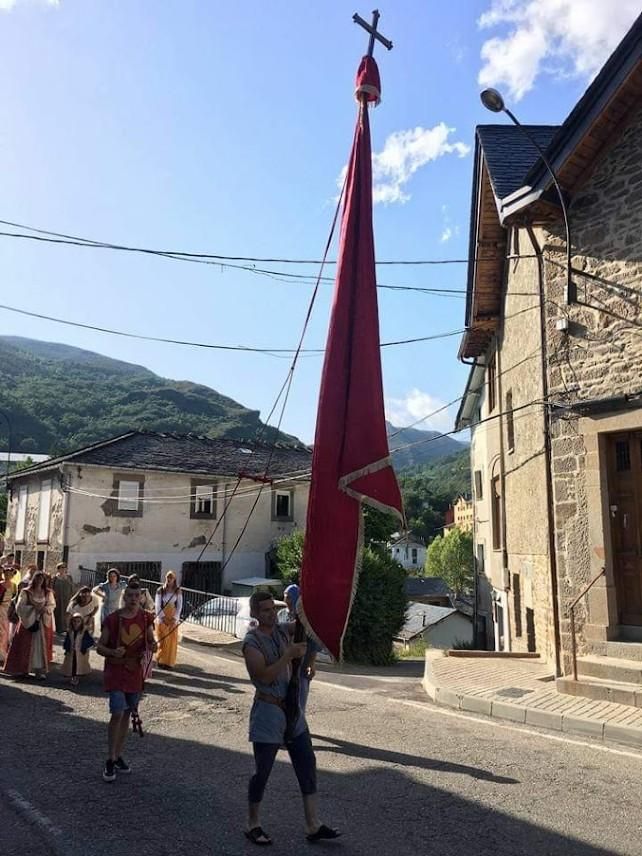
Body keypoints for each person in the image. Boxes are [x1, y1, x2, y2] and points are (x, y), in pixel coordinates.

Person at [242, 591, 339, 846]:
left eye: (273, 609)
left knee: (307, 764)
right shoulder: (251, 642)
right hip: (268, 711)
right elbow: (263, 676)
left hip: (293, 710)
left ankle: (312, 824)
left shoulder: (283, 631)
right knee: (262, 772)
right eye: (264, 610)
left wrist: (311, 601)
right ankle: (253, 823)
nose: (271, 614)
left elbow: (307, 627)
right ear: (254, 613)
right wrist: (288, 656)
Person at [96, 581, 157, 783]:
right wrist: (113, 651)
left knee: (127, 714)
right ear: (124, 597)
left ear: (141, 597)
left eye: (136, 595)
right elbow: (100, 647)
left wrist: (154, 644)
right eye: (129, 595)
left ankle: (118, 755)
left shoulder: (146, 618)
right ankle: (109, 759)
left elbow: (150, 642)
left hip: (134, 672)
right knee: (117, 712)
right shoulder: (113, 619)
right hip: (116, 670)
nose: (133, 599)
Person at [3, 571, 55, 678]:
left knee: (40, 647)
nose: (40, 581)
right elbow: (20, 607)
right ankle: (24, 669)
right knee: (25, 645)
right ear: (34, 579)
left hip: (42, 622)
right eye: (38, 578)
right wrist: (33, 609)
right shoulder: (26, 592)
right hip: (28, 623)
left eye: (42, 579)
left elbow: (52, 605)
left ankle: (39, 671)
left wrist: (45, 609)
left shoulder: (48, 592)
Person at [277, 584, 318, 715]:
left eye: (289, 597)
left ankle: (298, 725)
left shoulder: (305, 618)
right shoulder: (281, 614)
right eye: (285, 597)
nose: (286, 601)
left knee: (299, 697)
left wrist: (311, 663)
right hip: (284, 663)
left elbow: (313, 643)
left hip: (301, 663)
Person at [155, 570, 183, 671]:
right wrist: (162, 618)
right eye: (168, 577)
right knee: (163, 639)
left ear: (174, 579)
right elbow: (157, 605)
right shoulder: (160, 590)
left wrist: (175, 618)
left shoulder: (178, 591)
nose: (169, 579)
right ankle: (161, 660)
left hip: (172, 617)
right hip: (162, 618)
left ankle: (169, 662)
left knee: (172, 640)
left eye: (171, 578)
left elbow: (179, 605)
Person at [62, 613, 95, 686]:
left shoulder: (84, 631)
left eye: (78, 621)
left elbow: (90, 641)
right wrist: (67, 648)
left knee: (78, 664)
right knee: (72, 664)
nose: (76, 623)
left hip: (80, 652)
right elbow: (67, 640)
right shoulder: (70, 631)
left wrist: (84, 646)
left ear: (81, 622)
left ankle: (76, 677)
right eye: (74, 621)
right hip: (71, 651)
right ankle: (72, 676)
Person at [0, 567, 17, 664]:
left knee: (5, 630)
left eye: (9, 574)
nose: (7, 576)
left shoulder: (14, 586)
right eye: (5, 574)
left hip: (8, 609)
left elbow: (15, 597)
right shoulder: (0, 584)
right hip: (1, 608)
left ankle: (3, 652)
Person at [52, 562, 74, 634]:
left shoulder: (69, 577)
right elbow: (51, 589)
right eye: (62, 567)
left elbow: (72, 588)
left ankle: (66, 628)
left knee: (67, 613)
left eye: (65, 567)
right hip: (58, 599)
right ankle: (58, 629)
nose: (64, 569)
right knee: (58, 613)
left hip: (67, 598)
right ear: (58, 569)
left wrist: (73, 597)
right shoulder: (54, 578)